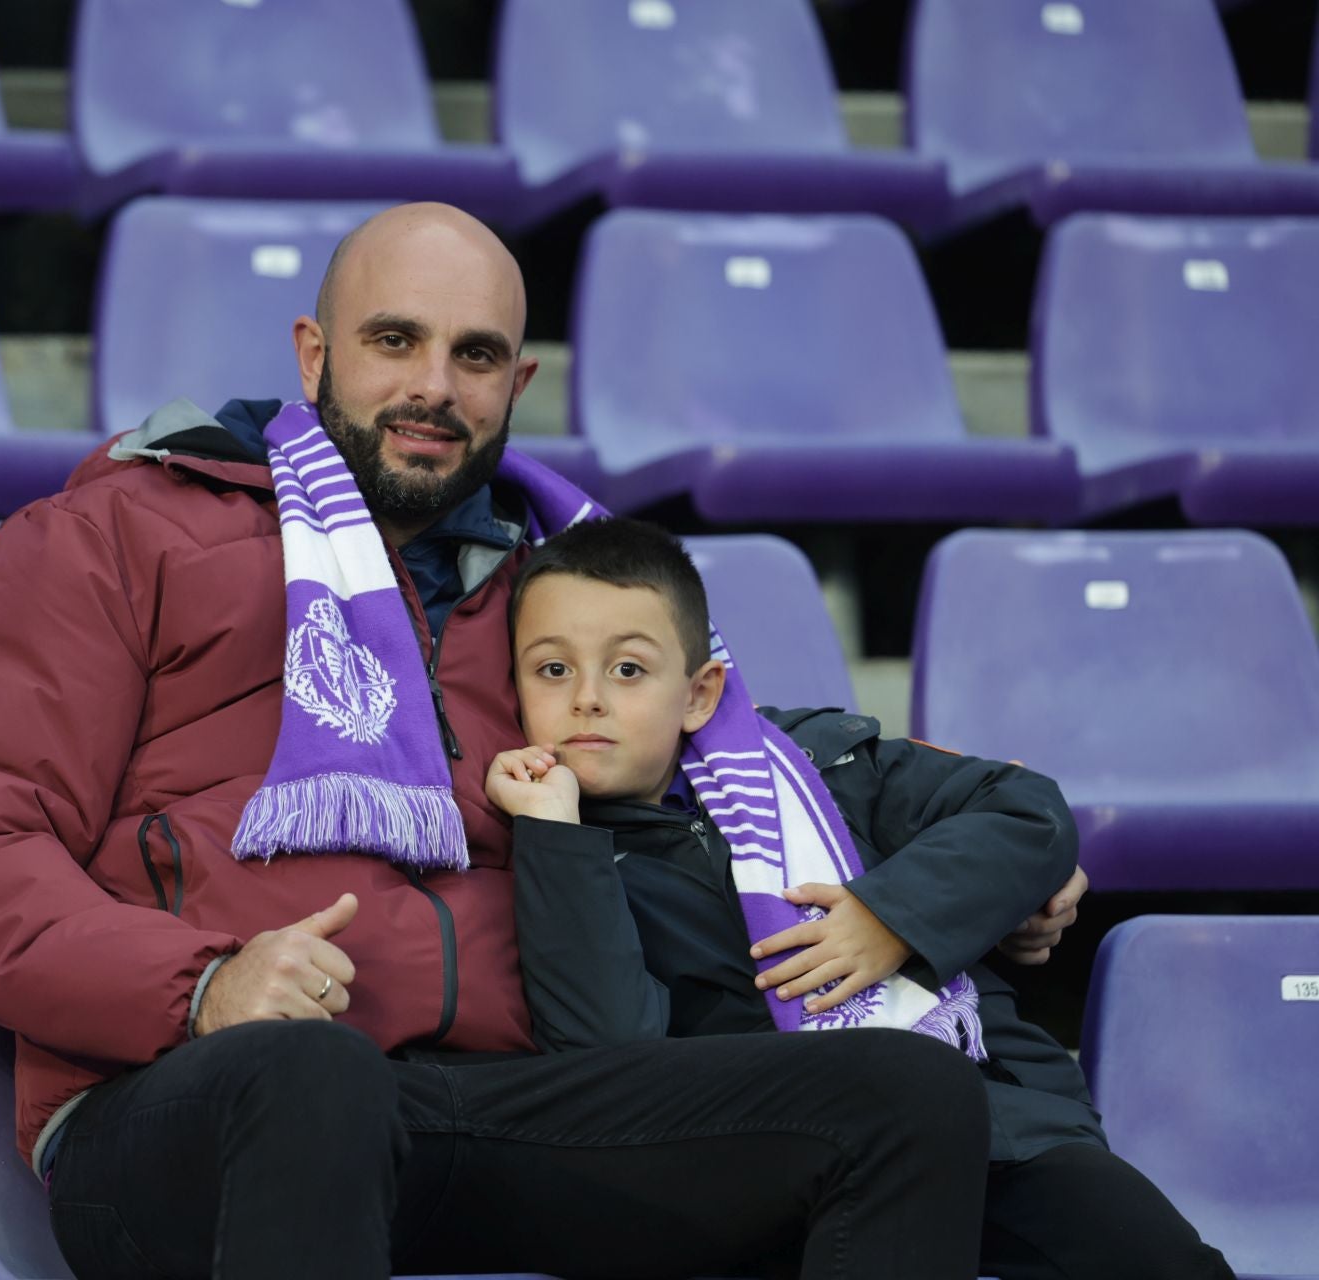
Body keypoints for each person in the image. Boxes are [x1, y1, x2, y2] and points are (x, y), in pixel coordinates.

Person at [0, 202, 1062, 1279]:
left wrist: (987, 857)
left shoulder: (562, 584)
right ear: (313, 355)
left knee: (902, 1102)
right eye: (394, 340)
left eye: (476, 355)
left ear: (518, 380)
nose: (433, 386)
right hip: (192, 1100)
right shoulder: (112, 534)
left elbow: (721, 754)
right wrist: (201, 986)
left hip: (500, 1102)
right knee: (315, 1072)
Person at [487, 516, 1235, 1280]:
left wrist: (891, 918)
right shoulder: (547, 847)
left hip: (1000, 1131)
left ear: (700, 693)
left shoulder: (814, 763)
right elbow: (609, 1057)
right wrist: (557, 834)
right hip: (763, 1175)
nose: (587, 700)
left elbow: (1025, 810)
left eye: (628, 670)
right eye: (552, 671)